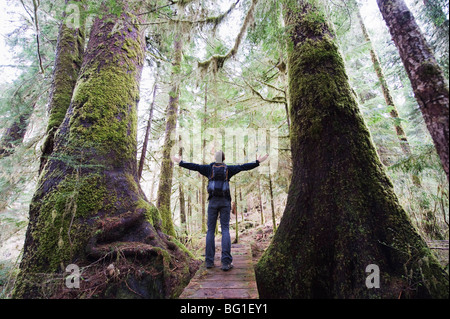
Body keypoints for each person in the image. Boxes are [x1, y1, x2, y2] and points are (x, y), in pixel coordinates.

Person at [172, 151, 269, 271]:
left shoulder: (208, 168)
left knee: (210, 231)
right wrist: (257, 162)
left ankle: (209, 262)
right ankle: (226, 262)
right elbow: (243, 167)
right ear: (224, 159)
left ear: (215, 158)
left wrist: (180, 162)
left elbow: (194, 166)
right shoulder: (229, 169)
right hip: (225, 202)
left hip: (213, 202)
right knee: (225, 230)